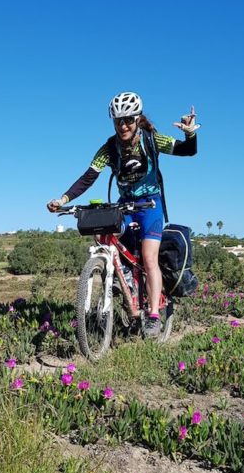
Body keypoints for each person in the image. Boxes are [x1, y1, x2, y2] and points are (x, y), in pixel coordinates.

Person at [47, 91, 199, 338]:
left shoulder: (151, 140)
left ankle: (152, 315)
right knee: (104, 237)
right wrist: (63, 199)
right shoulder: (109, 148)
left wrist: (190, 133)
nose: (123, 125)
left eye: (128, 119)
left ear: (138, 119)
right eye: (119, 121)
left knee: (149, 258)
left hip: (150, 206)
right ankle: (124, 278)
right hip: (125, 205)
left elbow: (187, 151)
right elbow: (88, 177)